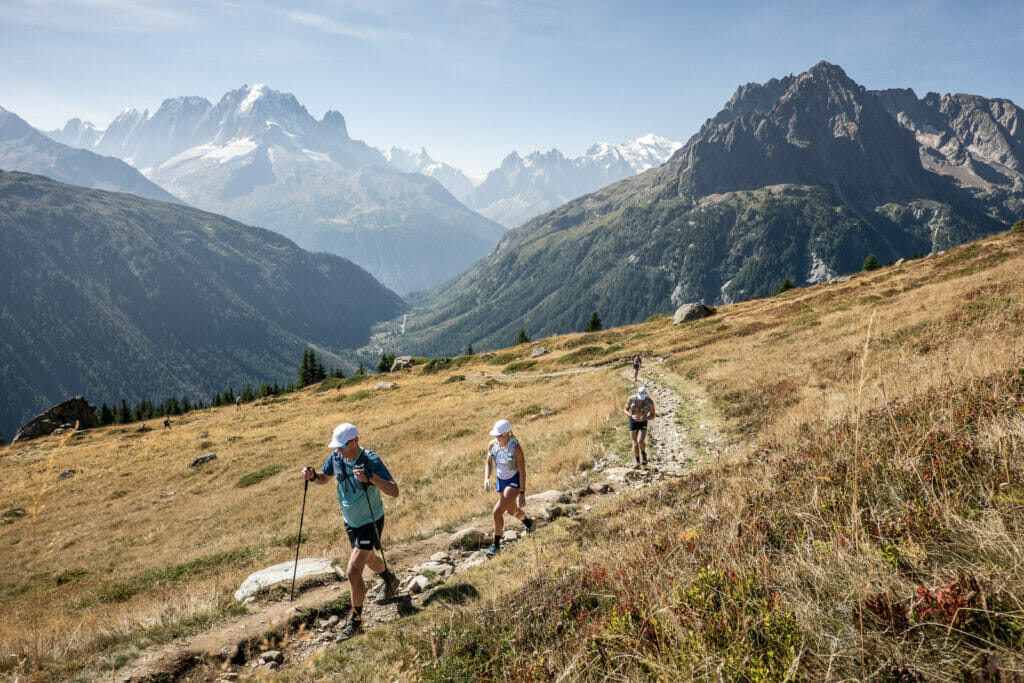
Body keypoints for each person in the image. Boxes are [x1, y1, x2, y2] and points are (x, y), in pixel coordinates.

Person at [301, 423, 400, 642]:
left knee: (353, 571)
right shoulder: (336, 458)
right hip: (351, 522)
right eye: (336, 447)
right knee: (368, 557)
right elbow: (324, 477)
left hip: (370, 520)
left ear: (354, 441)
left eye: (342, 446)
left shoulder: (370, 460)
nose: (338, 451)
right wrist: (311, 476)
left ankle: (355, 623)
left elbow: (394, 490)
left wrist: (371, 478)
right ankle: (389, 579)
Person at [483, 419, 535, 558]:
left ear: (507, 433)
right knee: (512, 510)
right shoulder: (492, 445)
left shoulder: (516, 448)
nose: (496, 437)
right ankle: (529, 523)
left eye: (499, 435)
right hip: (501, 481)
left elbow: (522, 471)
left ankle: (496, 546)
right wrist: (487, 478)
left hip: (514, 482)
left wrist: (522, 493)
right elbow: (488, 463)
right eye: (495, 435)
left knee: (496, 512)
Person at [623, 386, 655, 468]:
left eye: (643, 398)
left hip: (643, 421)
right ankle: (637, 462)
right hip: (633, 421)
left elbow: (653, 415)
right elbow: (625, 410)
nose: (642, 399)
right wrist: (631, 416)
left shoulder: (649, 401)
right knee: (635, 442)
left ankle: (644, 454)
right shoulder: (631, 399)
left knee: (640, 440)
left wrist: (645, 418)